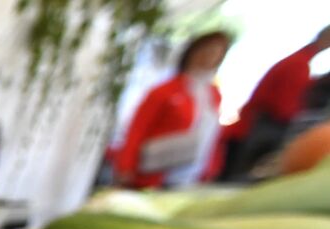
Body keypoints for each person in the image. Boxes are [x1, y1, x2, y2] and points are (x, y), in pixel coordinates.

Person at [114, 32, 231, 189]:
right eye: (207, 50)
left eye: (217, 53)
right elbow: (137, 129)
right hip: (156, 171)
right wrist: (125, 167)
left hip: (191, 177)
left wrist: (213, 169)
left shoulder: (214, 94)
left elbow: (213, 137)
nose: (210, 57)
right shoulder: (165, 90)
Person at [222, 26, 330, 181]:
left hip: (261, 126)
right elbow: (283, 108)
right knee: (245, 176)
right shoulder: (298, 64)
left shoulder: (299, 62)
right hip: (264, 127)